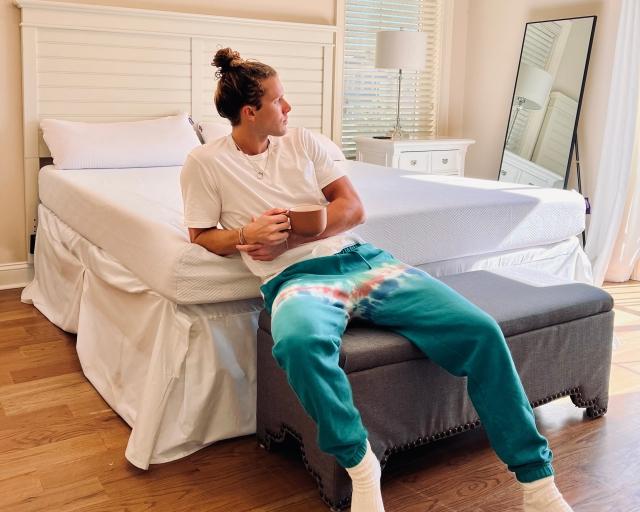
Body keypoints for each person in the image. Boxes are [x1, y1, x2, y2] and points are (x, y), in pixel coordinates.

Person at [180, 48, 574, 512]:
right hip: (298, 281)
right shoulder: (204, 164)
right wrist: (247, 234)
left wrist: (287, 236)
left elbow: (353, 209)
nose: (288, 108)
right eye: (279, 100)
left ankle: (536, 482)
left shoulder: (306, 142)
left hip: (363, 260)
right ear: (251, 112)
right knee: (299, 345)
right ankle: (361, 463)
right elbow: (203, 235)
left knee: (481, 331)